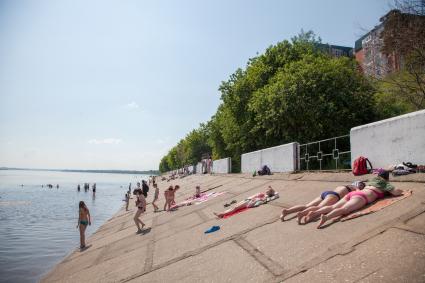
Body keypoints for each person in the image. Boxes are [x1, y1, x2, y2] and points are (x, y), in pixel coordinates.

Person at [306, 171, 403, 228]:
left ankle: (316, 213)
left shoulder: (373, 180)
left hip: (353, 193)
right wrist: (393, 190)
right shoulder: (385, 183)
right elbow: (397, 192)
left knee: (332, 206)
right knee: (344, 210)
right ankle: (326, 218)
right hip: (361, 197)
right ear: (386, 178)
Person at [280, 181, 366, 223]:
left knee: (307, 206)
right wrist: (363, 189)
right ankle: (302, 214)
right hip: (334, 196)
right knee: (319, 208)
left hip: (326, 193)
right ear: (357, 184)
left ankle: (287, 211)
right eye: (361, 185)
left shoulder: (344, 185)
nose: (362, 187)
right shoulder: (354, 187)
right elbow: (358, 190)